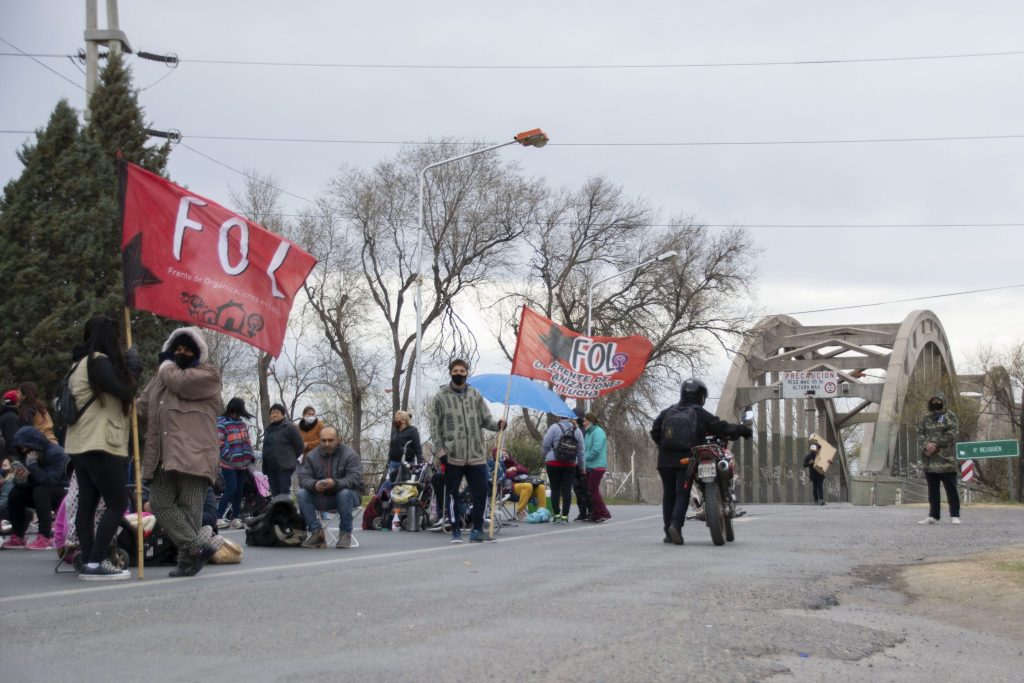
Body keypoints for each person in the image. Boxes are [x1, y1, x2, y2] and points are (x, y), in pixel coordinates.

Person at [139, 326, 223, 577]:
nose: (182, 352)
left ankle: (188, 561)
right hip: (162, 455)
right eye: (177, 348)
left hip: (195, 454)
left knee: (190, 508)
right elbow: (142, 406)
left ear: (198, 352)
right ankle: (197, 547)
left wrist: (165, 366)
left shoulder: (208, 374)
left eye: (188, 348)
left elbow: (180, 382)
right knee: (159, 503)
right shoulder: (160, 379)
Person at [63, 315, 141, 580]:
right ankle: (97, 561)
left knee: (87, 503)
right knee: (118, 502)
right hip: (100, 442)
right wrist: (133, 368)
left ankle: (88, 559)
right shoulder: (98, 361)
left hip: (80, 443)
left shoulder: (78, 364)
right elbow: (124, 391)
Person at [650, 378, 752, 546]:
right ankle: (675, 525)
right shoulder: (698, 412)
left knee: (669, 495)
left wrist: (665, 445)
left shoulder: (668, 411)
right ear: (701, 396)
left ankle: (669, 532)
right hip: (686, 459)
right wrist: (742, 430)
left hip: (665, 460)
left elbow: (655, 431)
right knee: (682, 493)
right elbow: (722, 427)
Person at [429, 359, 506, 543]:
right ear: (450, 373)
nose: (459, 373)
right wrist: (441, 452)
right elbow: (434, 427)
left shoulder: (475, 394)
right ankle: (455, 530)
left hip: (476, 454)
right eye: (455, 370)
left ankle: (477, 530)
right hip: (452, 455)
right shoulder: (440, 397)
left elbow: (486, 419)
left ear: (467, 373)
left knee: (481, 492)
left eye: (462, 370)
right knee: (453, 493)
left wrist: (498, 425)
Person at [296, 426, 363, 549]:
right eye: (323, 440)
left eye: (331, 440)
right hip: (321, 497)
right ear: (320, 440)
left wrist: (335, 483)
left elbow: (355, 479)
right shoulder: (311, 456)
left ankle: (345, 533)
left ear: (339, 440)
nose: (327, 444)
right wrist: (314, 485)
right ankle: (317, 534)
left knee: (344, 493)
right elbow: (303, 478)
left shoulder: (350, 455)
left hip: (347, 497)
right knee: (301, 493)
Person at [4, 426, 69, 549]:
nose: (24, 451)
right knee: (16, 493)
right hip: (41, 490)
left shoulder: (56, 453)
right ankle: (18, 536)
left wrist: (33, 467)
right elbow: (32, 481)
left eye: (26, 447)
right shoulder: (28, 455)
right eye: (22, 449)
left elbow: (51, 480)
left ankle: (45, 536)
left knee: (41, 491)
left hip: (62, 491)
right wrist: (21, 480)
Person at [917, 390, 961, 525]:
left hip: (946, 461)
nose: (936, 403)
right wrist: (926, 445)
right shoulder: (926, 418)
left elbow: (952, 433)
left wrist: (935, 445)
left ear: (943, 401)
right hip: (930, 461)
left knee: (951, 490)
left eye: (938, 400)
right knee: (933, 492)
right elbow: (920, 433)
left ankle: (955, 515)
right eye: (933, 401)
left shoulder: (950, 416)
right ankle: (933, 516)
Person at [216, 397, 255, 528]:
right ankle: (218, 517)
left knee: (239, 491)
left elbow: (247, 442)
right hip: (229, 464)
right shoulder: (222, 423)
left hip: (243, 464)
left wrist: (250, 456)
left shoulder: (242, 424)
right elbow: (219, 444)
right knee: (231, 489)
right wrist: (230, 456)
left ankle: (236, 518)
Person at [542, 414, 584, 524]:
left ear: (559, 417)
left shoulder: (554, 427)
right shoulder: (577, 430)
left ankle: (556, 515)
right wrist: (581, 466)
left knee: (555, 489)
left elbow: (545, 444)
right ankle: (565, 516)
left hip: (553, 462)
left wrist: (546, 456)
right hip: (570, 464)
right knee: (567, 490)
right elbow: (580, 451)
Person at [261, 403, 304, 497]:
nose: (275, 415)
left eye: (277, 412)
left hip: (284, 467)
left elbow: (300, 446)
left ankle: (286, 511)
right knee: (275, 493)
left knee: (284, 492)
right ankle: (277, 511)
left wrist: (290, 458)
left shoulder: (290, 427)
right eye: (272, 413)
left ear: (283, 414)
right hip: (270, 467)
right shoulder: (269, 428)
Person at [583, 412, 612, 523]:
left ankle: (604, 513)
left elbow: (596, 449)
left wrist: (586, 459)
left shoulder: (598, 432)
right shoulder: (588, 433)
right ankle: (595, 515)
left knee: (593, 490)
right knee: (591, 490)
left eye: (585, 421)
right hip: (590, 465)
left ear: (591, 421)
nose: (584, 423)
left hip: (597, 466)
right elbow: (586, 449)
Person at [502, 452, 547, 520]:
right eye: (503, 454)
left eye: (506, 454)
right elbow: (508, 476)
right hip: (510, 488)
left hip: (522, 485)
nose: (505, 455)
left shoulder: (514, 463)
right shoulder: (499, 465)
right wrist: (511, 471)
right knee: (527, 486)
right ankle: (519, 510)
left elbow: (525, 471)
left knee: (541, 487)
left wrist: (515, 468)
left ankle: (542, 511)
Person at [388, 410, 422, 481]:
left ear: (403, 420)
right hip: (393, 464)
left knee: (404, 487)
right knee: (392, 487)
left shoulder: (413, 431)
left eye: (397, 419)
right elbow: (391, 449)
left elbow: (418, 449)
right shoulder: (394, 433)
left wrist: (420, 465)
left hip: (407, 464)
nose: (395, 420)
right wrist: (388, 463)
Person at [803, 441, 826, 505]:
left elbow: (826, 463)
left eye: (818, 449)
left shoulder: (820, 456)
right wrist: (809, 463)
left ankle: (821, 500)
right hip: (813, 475)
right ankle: (816, 500)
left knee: (820, 486)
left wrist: (828, 462)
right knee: (815, 487)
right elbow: (804, 465)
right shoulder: (808, 456)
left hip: (820, 474)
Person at [1, 389, 21, 460]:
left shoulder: (4, 415)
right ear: (16, 402)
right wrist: (14, 457)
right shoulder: (12, 417)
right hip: (9, 457)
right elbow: (12, 438)